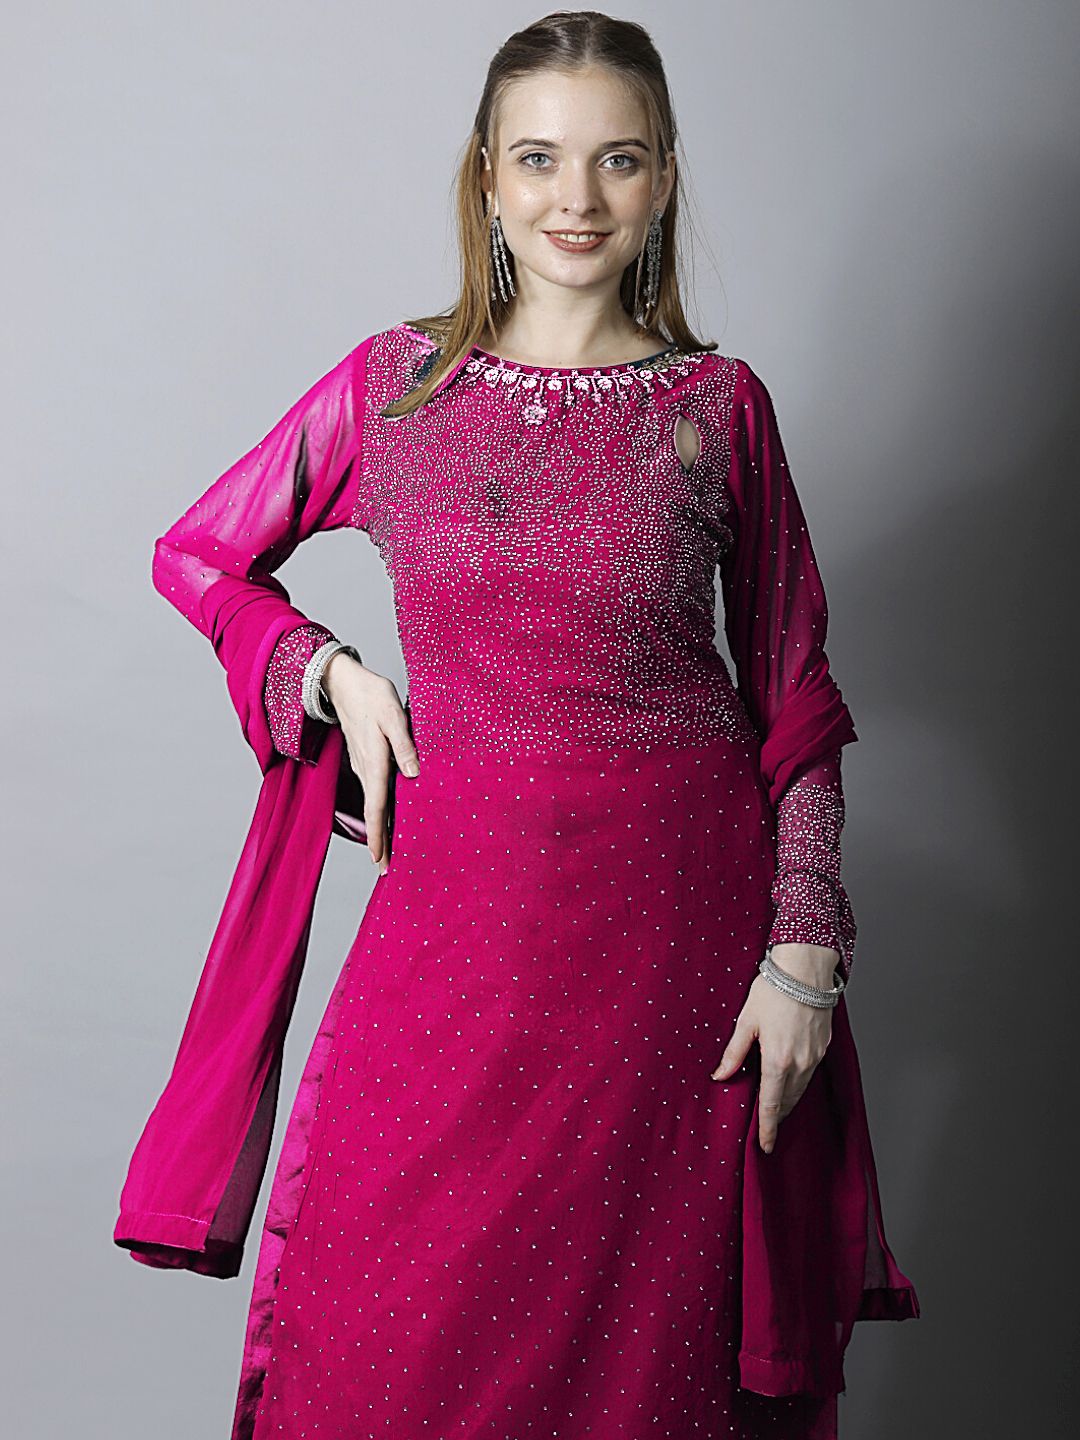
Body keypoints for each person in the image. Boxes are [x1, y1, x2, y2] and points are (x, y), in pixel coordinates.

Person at [114, 12, 919, 1438]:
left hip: (677, 953)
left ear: (664, 180)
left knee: (648, 1369)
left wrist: (804, 950)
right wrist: (327, 671)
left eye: (619, 160)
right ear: (486, 176)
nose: (577, 199)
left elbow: (794, 691)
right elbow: (199, 558)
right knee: (382, 1334)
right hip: (455, 930)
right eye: (539, 158)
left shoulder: (716, 409)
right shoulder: (392, 389)